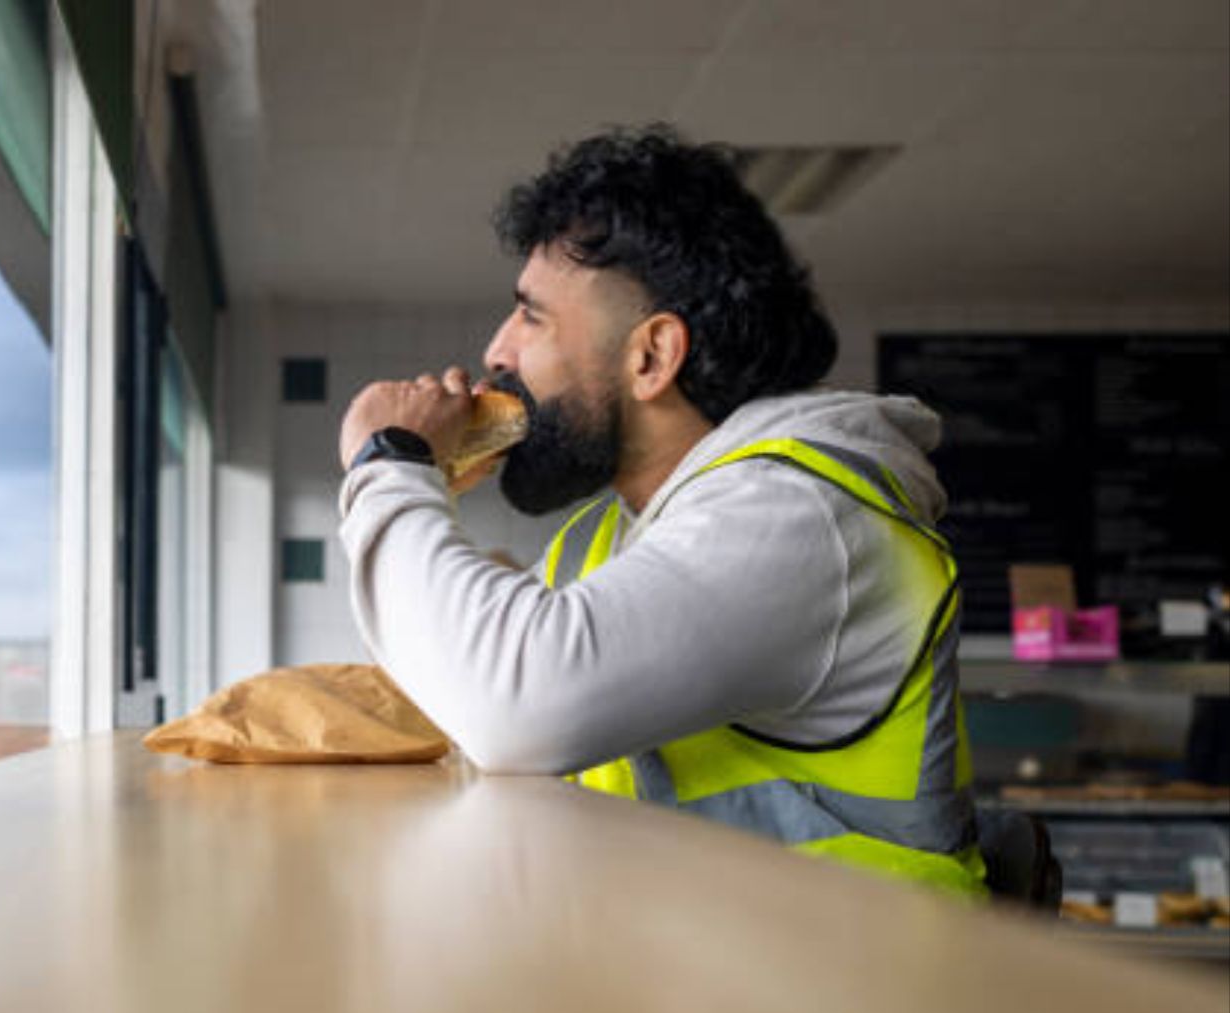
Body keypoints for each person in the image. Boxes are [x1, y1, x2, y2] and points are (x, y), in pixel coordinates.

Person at [336, 125, 986, 899]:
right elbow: (462, 689)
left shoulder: (802, 513)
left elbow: (515, 705)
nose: (497, 351)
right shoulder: (611, 534)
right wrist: (422, 488)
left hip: (863, 955)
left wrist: (390, 464)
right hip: (716, 946)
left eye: (531, 317)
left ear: (651, 357)